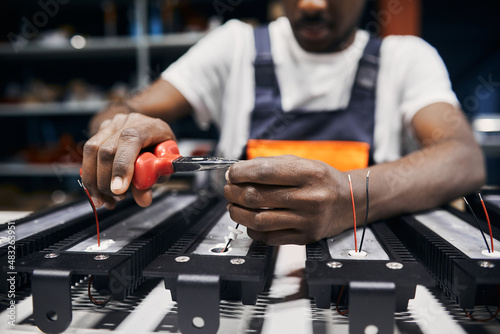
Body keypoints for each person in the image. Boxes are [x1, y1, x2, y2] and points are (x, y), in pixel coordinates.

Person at [81, 0, 485, 245]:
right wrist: (125, 131)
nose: (311, 4)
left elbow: (463, 158)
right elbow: (115, 111)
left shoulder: (406, 59)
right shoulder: (234, 45)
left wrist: (348, 199)